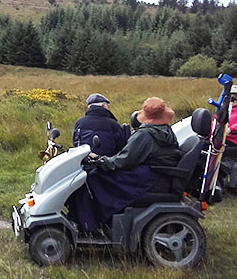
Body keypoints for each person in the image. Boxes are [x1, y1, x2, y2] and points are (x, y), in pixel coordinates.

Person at [66, 97, 181, 233]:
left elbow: (122, 161)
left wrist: (99, 160)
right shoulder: (166, 131)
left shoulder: (145, 135)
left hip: (144, 179)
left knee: (92, 178)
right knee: (99, 177)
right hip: (158, 176)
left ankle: (89, 224)